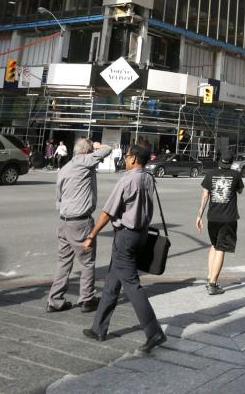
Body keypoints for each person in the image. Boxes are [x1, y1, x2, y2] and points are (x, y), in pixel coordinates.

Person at [80, 143, 166, 353]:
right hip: (140, 235)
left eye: (127, 156)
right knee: (112, 282)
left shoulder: (128, 179)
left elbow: (107, 211)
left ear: (135, 159)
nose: (125, 159)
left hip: (126, 236)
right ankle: (98, 327)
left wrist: (92, 235)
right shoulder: (148, 177)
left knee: (131, 284)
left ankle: (153, 331)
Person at [47, 139, 113, 313]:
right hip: (80, 221)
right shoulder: (85, 161)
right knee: (87, 262)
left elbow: (58, 197)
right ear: (87, 152)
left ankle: (55, 300)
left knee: (63, 262)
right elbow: (108, 149)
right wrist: (98, 147)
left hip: (64, 220)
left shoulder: (65, 168)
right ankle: (87, 299)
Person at [196, 155, 245, 295]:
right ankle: (213, 284)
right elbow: (240, 191)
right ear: (231, 163)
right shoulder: (236, 175)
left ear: (219, 162)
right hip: (228, 219)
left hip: (212, 217)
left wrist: (199, 215)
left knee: (213, 246)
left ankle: (209, 277)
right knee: (221, 249)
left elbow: (205, 195)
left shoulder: (210, 174)